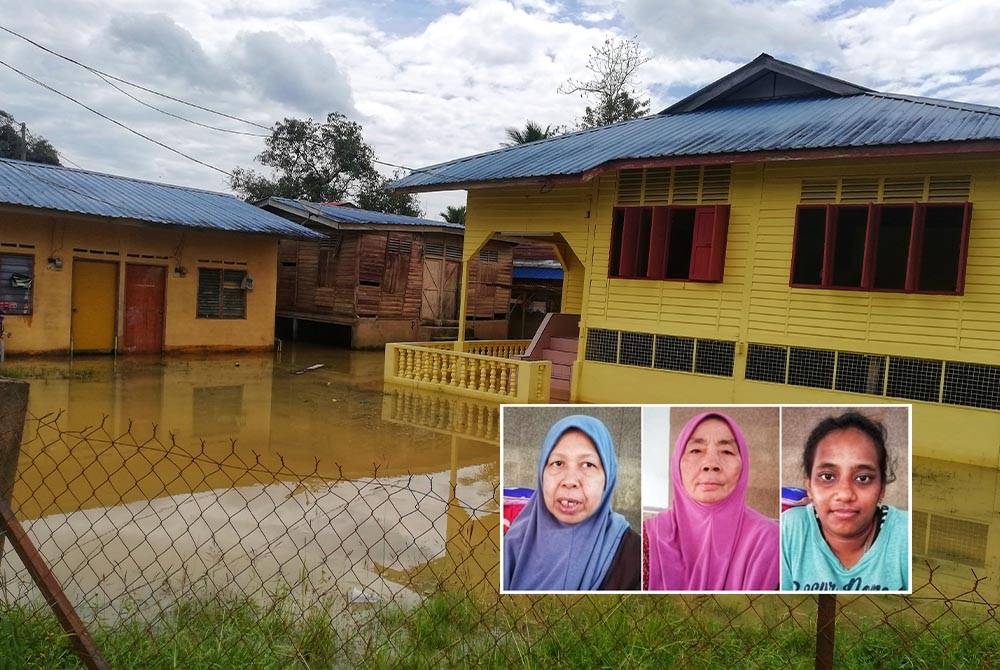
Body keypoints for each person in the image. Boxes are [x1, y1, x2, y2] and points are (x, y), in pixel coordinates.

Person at [503, 414, 640, 591]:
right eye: (558, 463)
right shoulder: (513, 540)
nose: (570, 480)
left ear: (608, 478)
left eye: (588, 465)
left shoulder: (635, 557)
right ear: (541, 473)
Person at [644, 411, 779, 591]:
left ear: (743, 464)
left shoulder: (773, 542)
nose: (710, 463)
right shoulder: (648, 539)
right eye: (696, 450)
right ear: (677, 463)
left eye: (726, 451)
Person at [781, 412, 909, 592]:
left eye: (863, 478)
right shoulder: (791, 530)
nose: (845, 494)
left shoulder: (905, 536)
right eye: (827, 476)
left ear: (881, 489)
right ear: (809, 486)